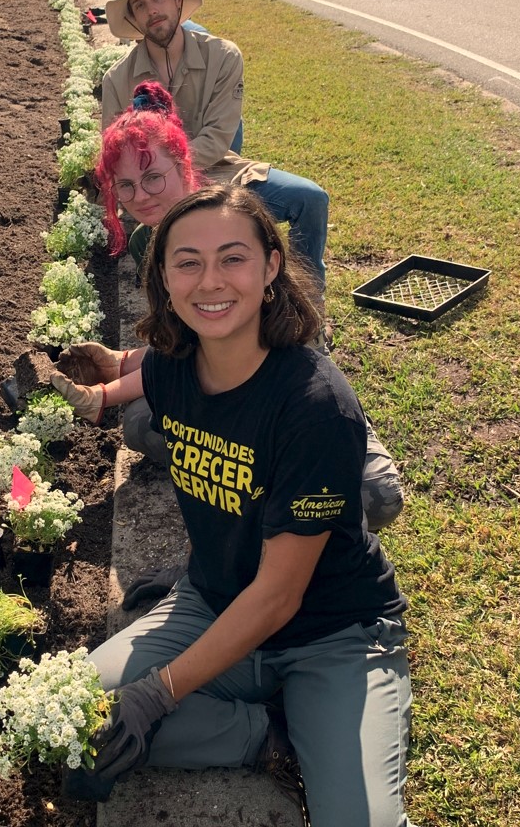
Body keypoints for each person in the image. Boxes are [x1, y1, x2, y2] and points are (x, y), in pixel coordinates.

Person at [80, 184, 416, 827]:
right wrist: (84, 391)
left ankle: (333, 716)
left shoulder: (314, 405)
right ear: (164, 279)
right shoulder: (174, 366)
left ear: (270, 268)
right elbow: (134, 366)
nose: (211, 280)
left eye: (232, 257)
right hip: (214, 602)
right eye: (187, 262)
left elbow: (280, 596)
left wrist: (160, 691)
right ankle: (267, 736)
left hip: (333, 632)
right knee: (70, 719)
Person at [52, 82, 404, 533]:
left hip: (283, 370)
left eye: (153, 176)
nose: (140, 195)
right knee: (140, 424)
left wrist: (106, 393)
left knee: (376, 500)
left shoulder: (233, 217)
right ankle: (265, 484)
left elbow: (228, 342)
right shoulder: (149, 243)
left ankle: (273, 484)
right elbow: (190, 341)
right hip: (219, 383)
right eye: (126, 185)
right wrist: (123, 363)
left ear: (184, 166)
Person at [102, 0, 330, 291]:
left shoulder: (223, 56)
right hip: (158, 190)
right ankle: (178, 320)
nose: (152, 10)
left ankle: (310, 301)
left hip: (219, 170)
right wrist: (153, 182)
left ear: (178, 1)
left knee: (310, 199)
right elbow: (115, 153)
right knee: (146, 245)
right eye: (139, 5)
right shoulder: (116, 79)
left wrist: (169, 167)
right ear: (133, 19)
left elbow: (219, 137)